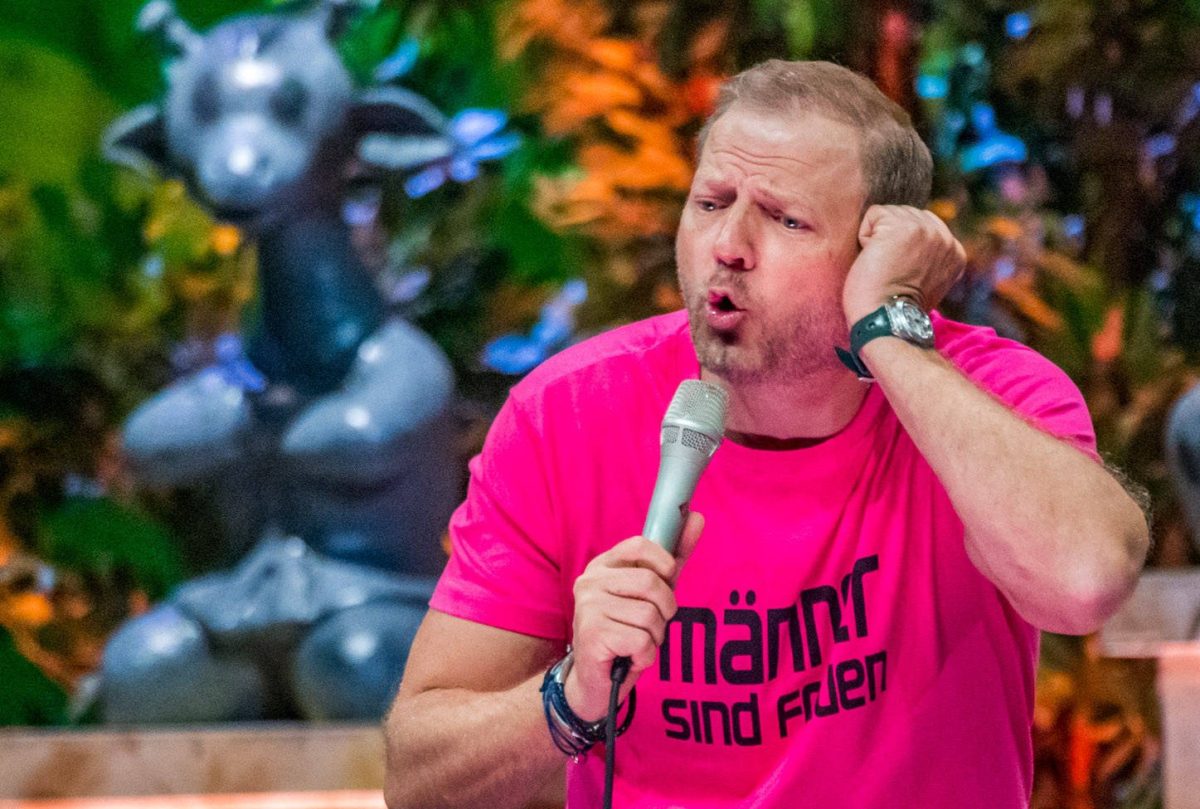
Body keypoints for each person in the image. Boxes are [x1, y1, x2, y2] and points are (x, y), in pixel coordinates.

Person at [383, 60, 1150, 809]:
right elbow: (417, 778)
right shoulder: (567, 415)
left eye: (786, 219)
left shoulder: (985, 396)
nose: (729, 245)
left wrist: (887, 331)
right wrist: (570, 695)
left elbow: (1085, 580)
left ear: (877, 252)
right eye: (711, 202)